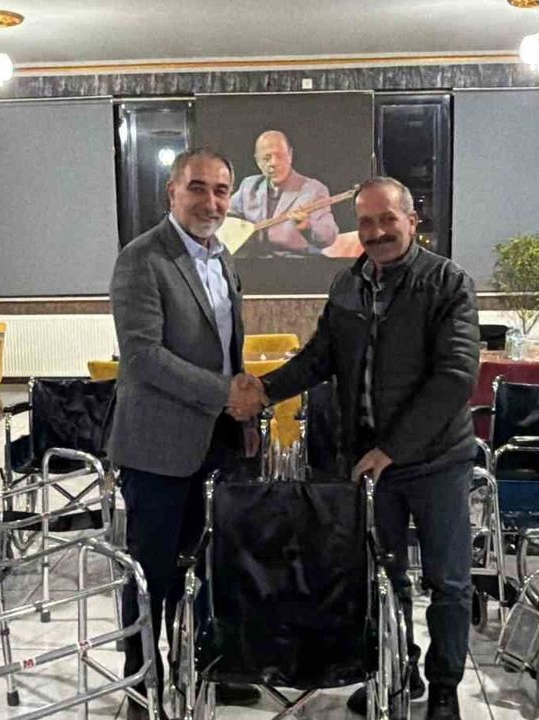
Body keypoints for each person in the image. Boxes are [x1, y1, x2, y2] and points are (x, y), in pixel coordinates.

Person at [242, 177, 481, 719]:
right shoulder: (347, 285)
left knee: (447, 582)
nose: (376, 232)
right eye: (366, 222)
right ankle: (401, 669)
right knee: (384, 578)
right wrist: (263, 391)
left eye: (387, 219)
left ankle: (444, 688)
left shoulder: (448, 283)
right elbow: (318, 358)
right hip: (371, 464)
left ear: (411, 221)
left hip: (436, 462)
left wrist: (391, 449)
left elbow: (454, 379)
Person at [108, 147, 264, 719]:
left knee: (209, 564)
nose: (211, 201)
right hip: (158, 446)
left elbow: (227, 353)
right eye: (197, 187)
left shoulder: (223, 259)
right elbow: (143, 357)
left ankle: (204, 666)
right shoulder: (142, 259)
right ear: (172, 192)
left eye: (221, 190)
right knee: (153, 570)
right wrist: (225, 393)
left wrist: (243, 415)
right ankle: (141, 682)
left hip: (218, 442)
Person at [229, 130, 339, 254]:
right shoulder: (249, 186)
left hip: (298, 262)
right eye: (266, 158)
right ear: (258, 161)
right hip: (254, 261)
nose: (273, 163)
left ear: (290, 156)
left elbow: (329, 236)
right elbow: (225, 218)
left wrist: (308, 226)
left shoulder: (314, 190)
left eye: (279, 156)